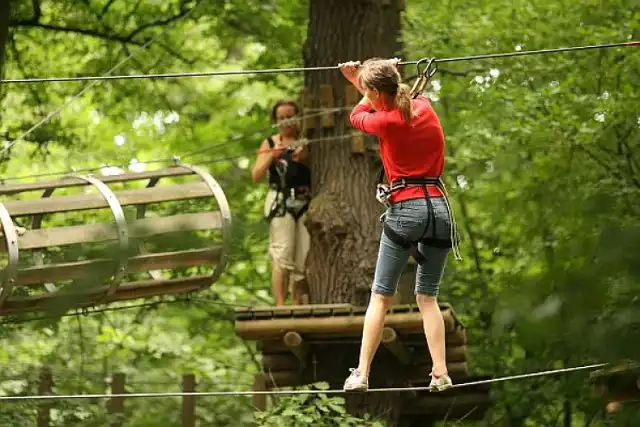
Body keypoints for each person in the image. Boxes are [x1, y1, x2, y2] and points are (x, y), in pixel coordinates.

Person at [338, 58, 461, 393]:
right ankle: (440, 373)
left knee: (381, 298)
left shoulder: (387, 122)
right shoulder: (425, 108)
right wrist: (372, 79)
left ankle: (361, 373)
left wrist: (358, 83)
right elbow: (398, 97)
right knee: (428, 297)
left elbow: (358, 114)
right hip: (439, 210)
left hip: (406, 210)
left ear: (376, 92)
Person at [251, 99, 312, 306]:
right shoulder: (270, 143)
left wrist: (305, 159)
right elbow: (256, 175)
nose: (286, 121)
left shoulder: (306, 142)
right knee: (282, 253)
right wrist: (271, 156)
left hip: (305, 200)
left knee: (302, 255)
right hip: (281, 201)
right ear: (275, 121)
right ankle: (280, 305)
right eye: (281, 118)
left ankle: (297, 305)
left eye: (290, 116)